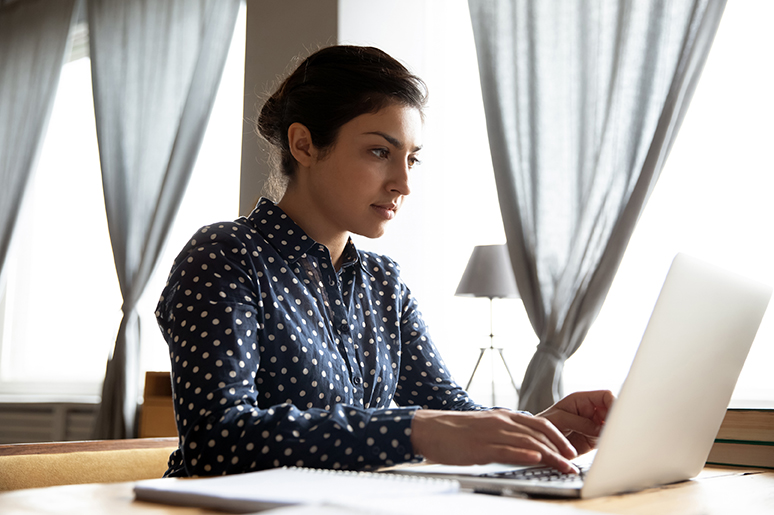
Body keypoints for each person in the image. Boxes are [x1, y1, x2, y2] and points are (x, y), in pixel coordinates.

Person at [155, 45, 614, 478]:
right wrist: (413, 430)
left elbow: (448, 409)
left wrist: (534, 429)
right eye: (380, 152)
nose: (403, 183)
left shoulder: (382, 281)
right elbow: (215, 439)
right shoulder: (225, 255)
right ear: (304, 145)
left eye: (411, 159)